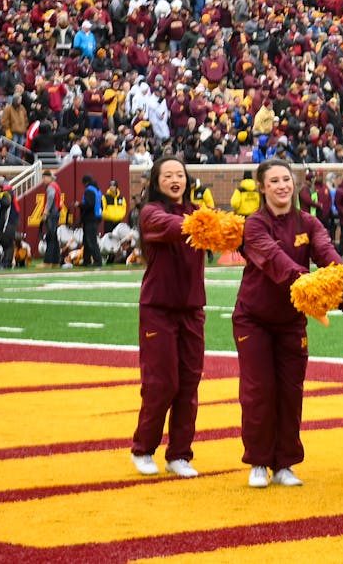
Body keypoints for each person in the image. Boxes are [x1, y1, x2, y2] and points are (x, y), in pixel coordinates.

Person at [236, 158, 343, 488]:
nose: (282, 186)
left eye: (287, 179)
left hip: (292, 321)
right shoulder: (254, 225)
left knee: (291, 391)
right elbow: (274, 260)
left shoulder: (309, 223)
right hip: (253, 319)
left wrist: (341, 278)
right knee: (258, 391)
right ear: (262, 187)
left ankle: (285, 463)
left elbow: (328, 254)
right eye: (275, 181)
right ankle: (258, 460)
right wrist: (309, 281)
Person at [130, 155, 205, 479]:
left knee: (189, 384)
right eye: (168, 175)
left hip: (192, 310)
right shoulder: (151, 213)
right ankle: (143, 449)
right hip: (158, 310)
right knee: (162, 383)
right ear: (157, 181)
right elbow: (174, 228)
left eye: (180, 174)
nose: (175, 180)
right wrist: (204, 224)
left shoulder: (197, 213)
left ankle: (179, 454)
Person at [41, 169, 64, 265]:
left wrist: (45, 212)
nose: (43, 180)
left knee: (50, 237)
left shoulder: (50, 187)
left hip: (51, 214)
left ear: (48, 177)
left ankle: (48, 261)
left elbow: (50, 197)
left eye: (43, 178)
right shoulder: (56, 186)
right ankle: (55, 260)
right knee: (54, 237)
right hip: (56, 213)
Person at [80, 174, 103, 267]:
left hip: (90, 218)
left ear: (85, 182)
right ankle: (86, 260)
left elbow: (89, 205)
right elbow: (101, 205)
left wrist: (79, 205)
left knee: (91, 240)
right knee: (86, 240)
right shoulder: (97, 190)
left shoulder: (89, 190)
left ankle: (98, 260)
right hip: (96, 217)